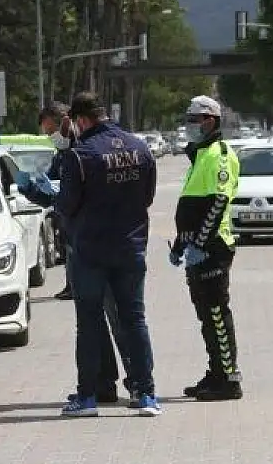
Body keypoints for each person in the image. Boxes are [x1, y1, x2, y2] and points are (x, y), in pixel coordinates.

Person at [15, 102, 136, 403]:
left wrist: (48, 195)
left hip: (103, 244)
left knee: (120, 318)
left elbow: (72, 199)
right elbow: (60, 194)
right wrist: (37, 190)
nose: (51, 137)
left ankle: (138, 383)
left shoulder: (89, 151)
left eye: (52, 131)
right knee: (94, 323)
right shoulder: (66, 153)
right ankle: (103, 383)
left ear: (68, 122)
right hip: (79, 244)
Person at [56, 92, 160, 417]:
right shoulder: (140, 148)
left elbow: (67, 205)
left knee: (88, 323)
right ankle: (146, 395)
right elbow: (147, 197)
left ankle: (87, 397)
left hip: (91, 252)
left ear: (81, 120)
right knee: (135, 320)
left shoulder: (80, 156)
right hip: (130, 248)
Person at [169, 96, 244, 401]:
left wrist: (199, 244)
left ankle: (229, 378)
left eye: (194, 121)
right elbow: (191, 204)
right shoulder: (200, 154)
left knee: (216, 314)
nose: (189, 127)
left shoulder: (220, 154)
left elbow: (218, 203)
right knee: (205, 316)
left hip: (214, 247)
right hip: (198, 249)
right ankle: (215, 372)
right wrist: (180, 244)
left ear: (210, 121)